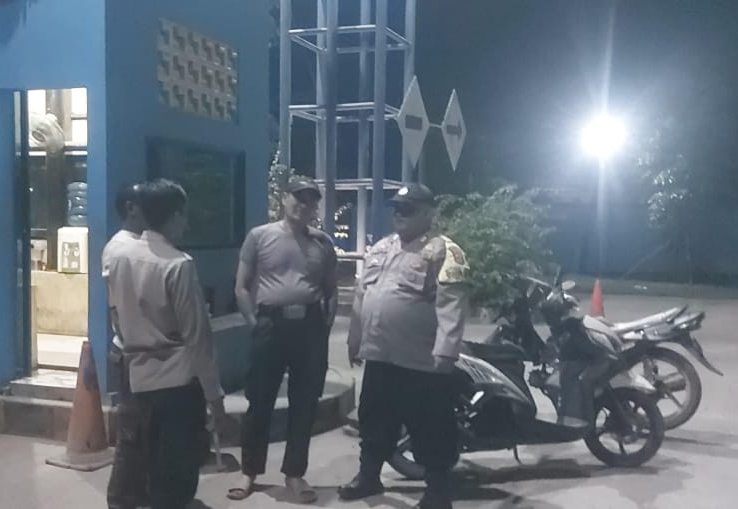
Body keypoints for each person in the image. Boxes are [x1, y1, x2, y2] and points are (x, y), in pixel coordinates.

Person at [339, 183, 470, 509]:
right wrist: (355, 337)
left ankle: (437, 493)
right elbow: (362, 296)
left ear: (428, 213)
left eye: (407, 209)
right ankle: (369, 476)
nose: (399, 214)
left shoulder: (445, 251)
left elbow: (453, 304)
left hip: (421, 362)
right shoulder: (382, 247)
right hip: (380, 356)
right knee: (373, 420)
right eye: (396, 208)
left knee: (430, 429)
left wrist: (446, 350)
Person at [106, 179, 227, 509]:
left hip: (138, 379)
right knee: (176, 475)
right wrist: (214, 396)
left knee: (146, 462)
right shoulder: (178, 264)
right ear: (174, 216)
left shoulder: (120, 258)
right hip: (178, 384)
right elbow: (197, 336)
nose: (186, 224)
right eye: (184, 215)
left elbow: (117, 315)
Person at [229, 178, 339, 503]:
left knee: (305, 404)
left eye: (311, 200)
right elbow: (241, 286)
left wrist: (324, 328)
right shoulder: (259, 236)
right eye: (298, 198)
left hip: (310, 328)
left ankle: (294, 473)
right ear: (284, 199)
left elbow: (331, 290)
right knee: (259, 401)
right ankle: (249, 471)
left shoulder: (322, 243)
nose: (304, 205)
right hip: (270, 325)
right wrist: (254, 323)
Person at [104, 182, 149, 509]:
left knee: (143, 430)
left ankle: (137, 493)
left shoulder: (137, 245)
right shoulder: (122, 249)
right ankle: (120, 498)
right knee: (131, 432)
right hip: (132, 352)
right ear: (132, 208)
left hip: (139, 351)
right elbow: (120, 307)